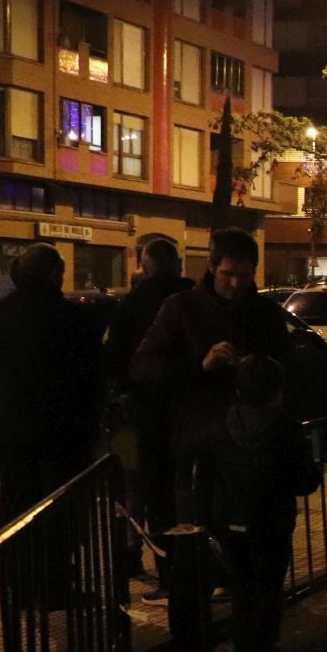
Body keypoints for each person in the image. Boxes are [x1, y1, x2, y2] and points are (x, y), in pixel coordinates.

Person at [133, 228, 289, 524]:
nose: (235, 283)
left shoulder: (265, 312)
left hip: (255, 447)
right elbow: (143, 364)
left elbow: (288, 364)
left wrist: (259, 368)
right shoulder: (180, 308)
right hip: (201, 446)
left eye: (245, 275)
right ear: (212, 267)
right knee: (203, 532)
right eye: (228, 273)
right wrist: (200, 365)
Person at [207, 355, 321, 652]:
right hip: (268, 520)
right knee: (267, 595)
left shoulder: (225, 424)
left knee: (243, 592)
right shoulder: (286, 428)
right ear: (277, 390)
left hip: (231, 521)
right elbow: (305, 480)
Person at [0, 244, 105, 525]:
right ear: (53, 273)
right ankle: (59, 567)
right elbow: (91, 375)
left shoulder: (0, 315)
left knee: (18, 509)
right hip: (63, 436)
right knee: (61, 515)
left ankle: (17, 566)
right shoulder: (71, 318)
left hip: (15, 432)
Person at [105, 239, 193, 588]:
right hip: (192, 408)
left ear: (148, 265)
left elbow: (114, 358)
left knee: (149, 490)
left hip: (147, 413)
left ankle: (167, 569)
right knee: (188, 487)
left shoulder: (134, 303)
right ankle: (198, 566)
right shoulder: (193, 297)